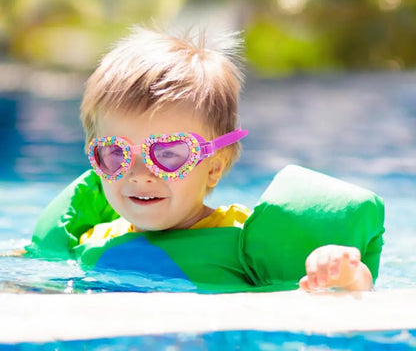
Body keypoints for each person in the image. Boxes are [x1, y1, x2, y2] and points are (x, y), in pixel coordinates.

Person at [28, 26, 373, 291]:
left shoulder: (244, 245)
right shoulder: (91, 241)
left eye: (167, 153)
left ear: (214, 167)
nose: (138, 173)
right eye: (115, 154)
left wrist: (343, 274)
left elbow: (351, 299)